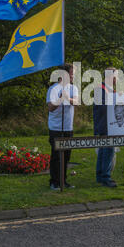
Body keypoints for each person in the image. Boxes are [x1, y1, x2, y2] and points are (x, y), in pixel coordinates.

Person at [47, 63, 78, 191]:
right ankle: (54, 182)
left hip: (68, 128)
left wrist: (68, 98)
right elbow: (50, 108)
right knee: (56, 156)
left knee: (66, 156)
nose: (73, 76)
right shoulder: (53, 89)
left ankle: (63, 181)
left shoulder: (73, 88)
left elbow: (76, 102)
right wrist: (60, 99)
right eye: (71, 73)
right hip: (56, 128)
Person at [93, 67, 118, 187]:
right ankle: (105, 177)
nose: (116, 79)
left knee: (104, 150)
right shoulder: (100, 89)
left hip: (108, 125)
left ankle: (100, 176)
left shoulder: (109, 89)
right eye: (115, 76)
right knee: (108, 150)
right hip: (104, 125)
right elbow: (102, 107)